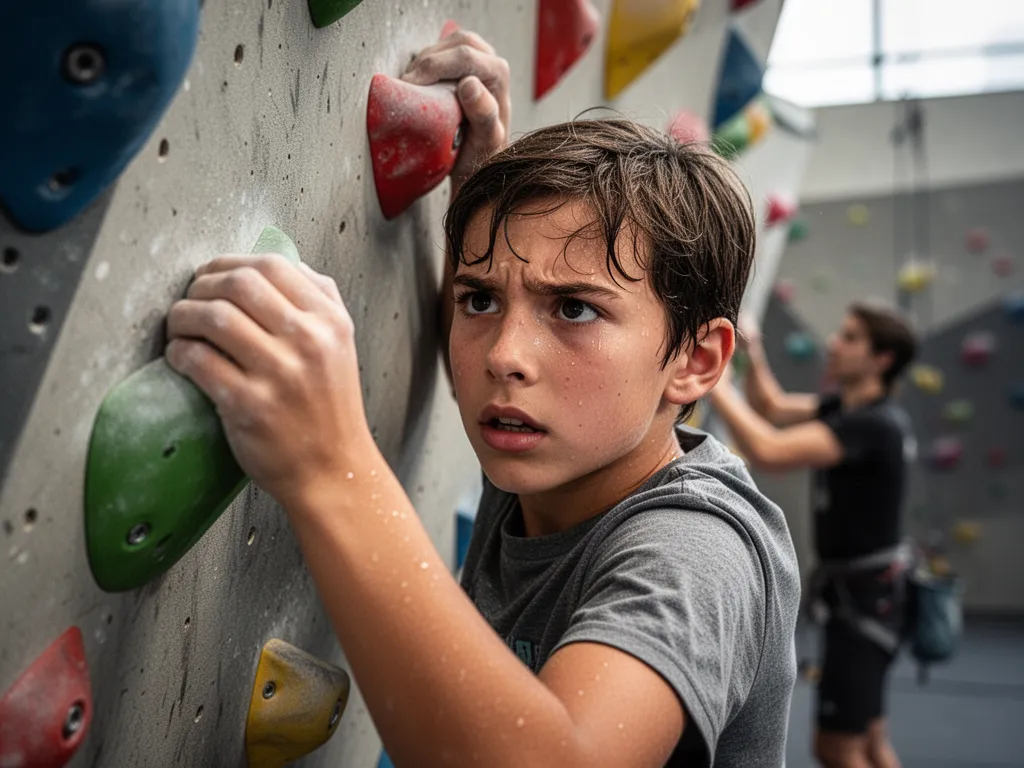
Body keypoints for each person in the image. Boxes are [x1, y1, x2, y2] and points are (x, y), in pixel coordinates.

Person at [164, 29, 800, 767]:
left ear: (694, 361)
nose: (504, 358)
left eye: (574, 310)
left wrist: (327, 465)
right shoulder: (559, 447)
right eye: (481, 299)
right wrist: (478, 191)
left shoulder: (696, 551)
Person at [707, 304, 918, 768]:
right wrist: (754, 353)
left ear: (881, 359)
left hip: (865, 602)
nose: (833, 344)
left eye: (850, 337)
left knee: (837, 748)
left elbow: (768, 448)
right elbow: (774, 407)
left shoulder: (872, 424)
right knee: (869, 740)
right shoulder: (853, 410)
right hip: (874, 596)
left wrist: (708, 376)